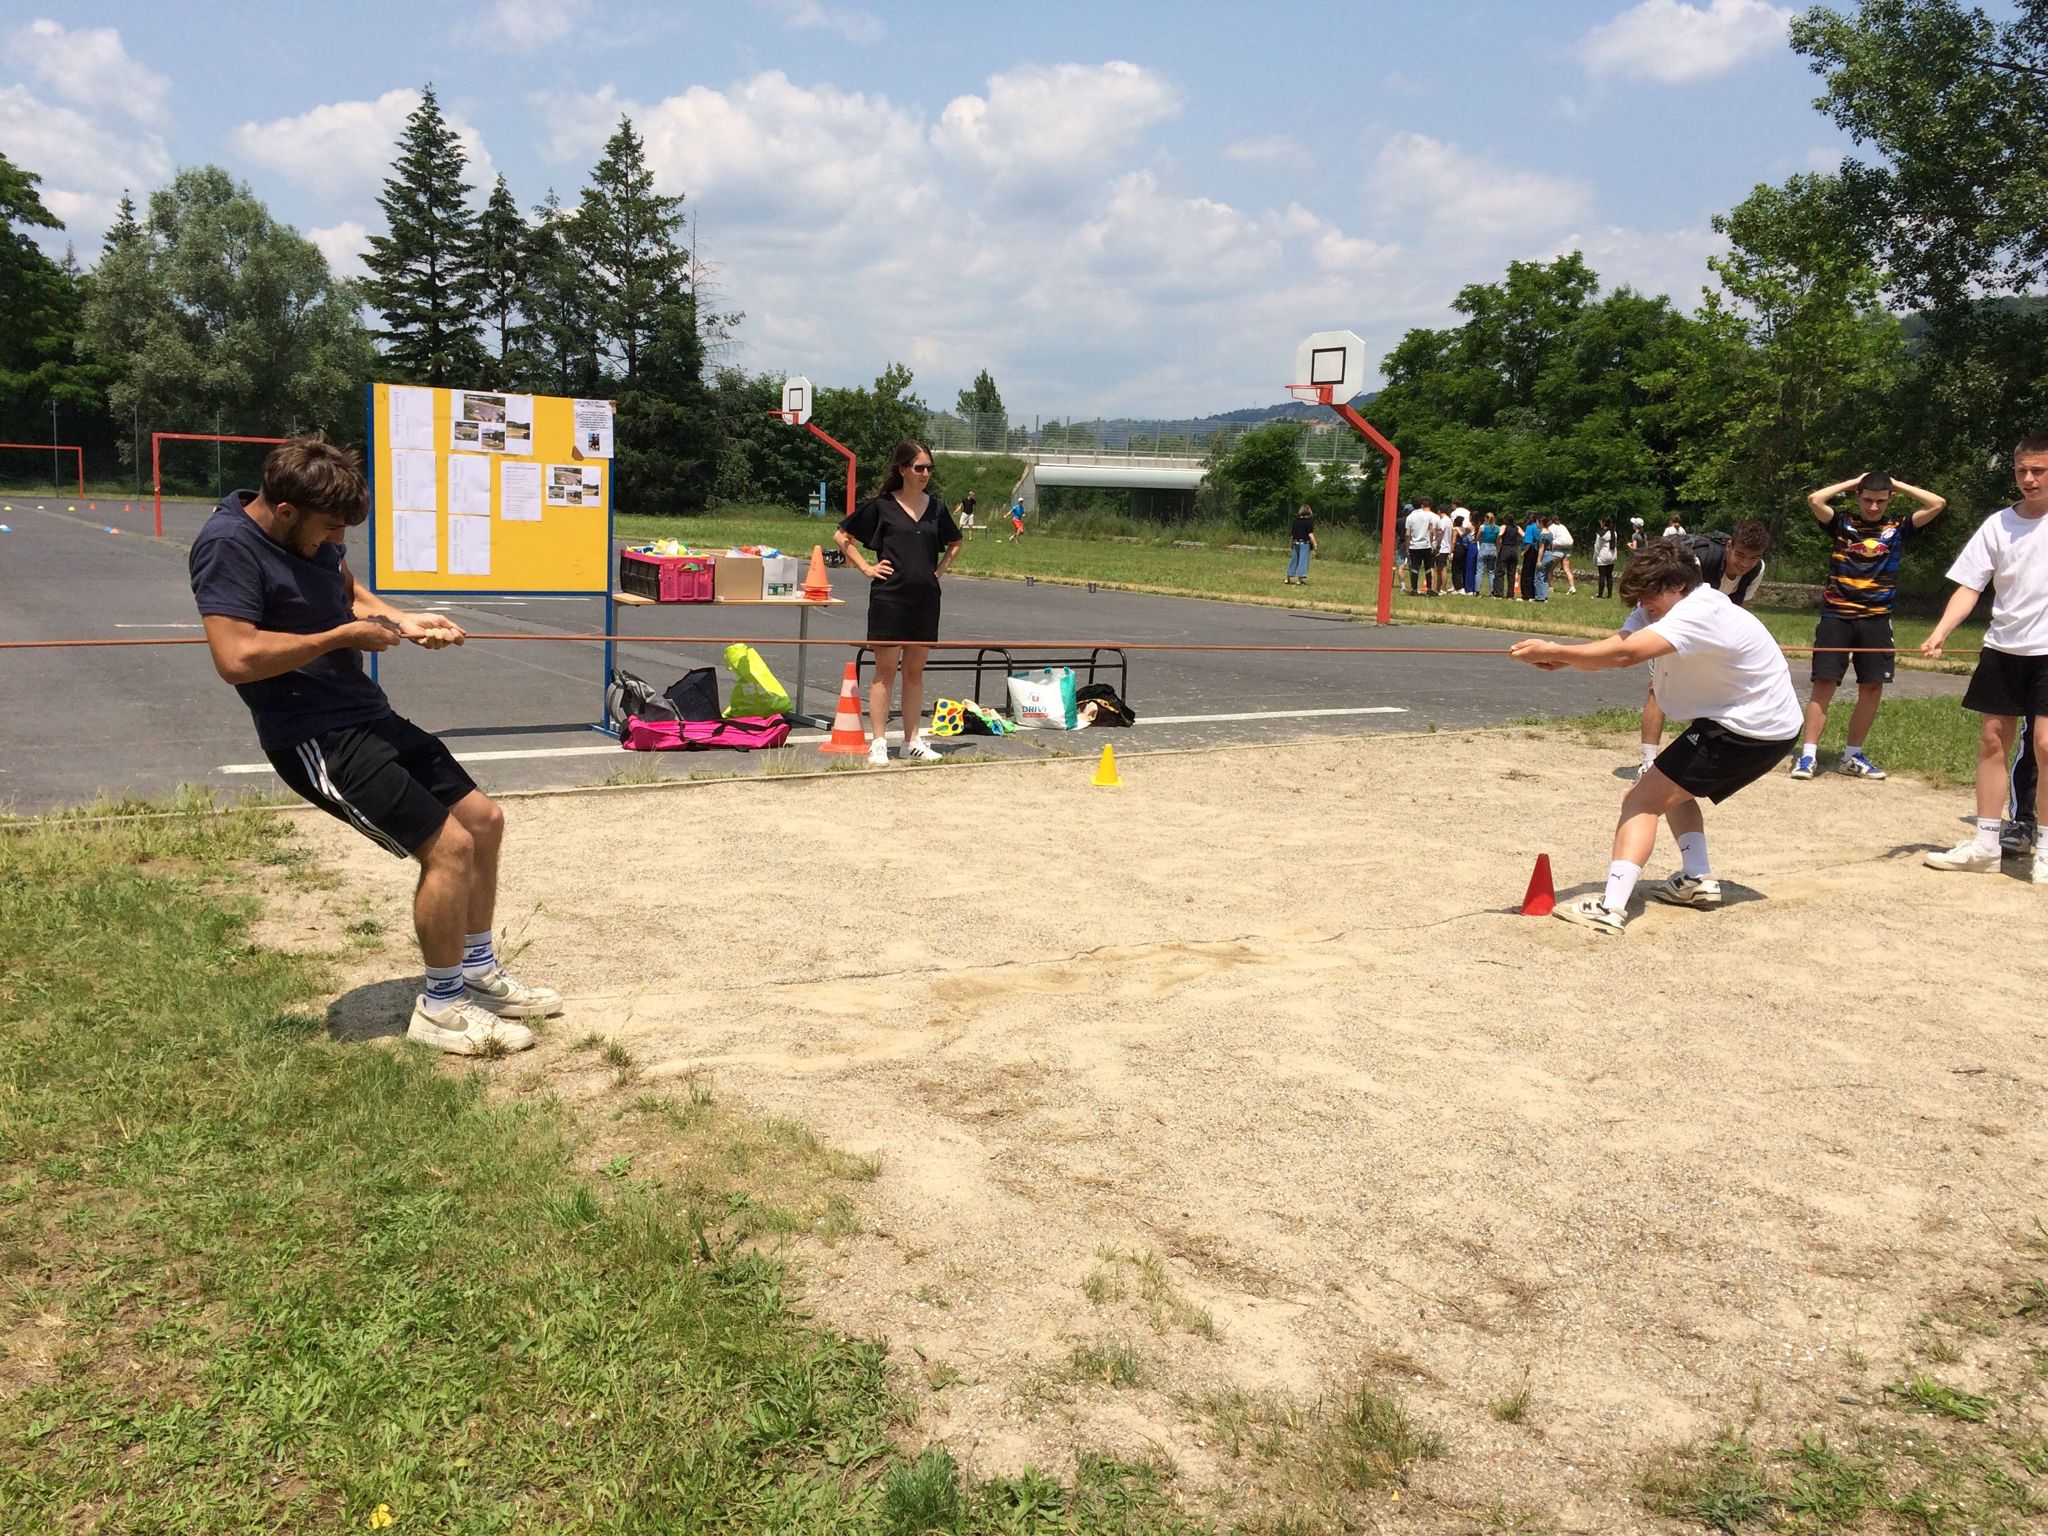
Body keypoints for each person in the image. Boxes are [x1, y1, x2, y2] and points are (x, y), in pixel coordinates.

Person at [188, 435, 558, 1055]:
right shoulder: (227, 547)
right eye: (330, 528)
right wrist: (341, 637)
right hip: (314, 734)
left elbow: (345, 587)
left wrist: (400, 620)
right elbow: (236, 657)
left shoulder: (307, 535)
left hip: (365, 713)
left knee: (485, 822)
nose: (337, 542)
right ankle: (440, 1009)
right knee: (450, 849)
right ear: (284, 510)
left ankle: (476, 971)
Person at [1509, 537, 1803, 934]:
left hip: (1751, 728)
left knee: (1640, 800)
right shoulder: (1661, 604)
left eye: (1652, 601)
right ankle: (1697, 878)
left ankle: (1611, 908)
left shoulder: (1700, 611)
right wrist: (1563, 659)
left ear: (1679, 586)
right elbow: (1621, 645)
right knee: (1671, 786)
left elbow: (1628, 655)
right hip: (1754, 723)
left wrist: (1558, 649)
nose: (1646, 610)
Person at [1918, 433, 2048, 876]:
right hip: (2003, 649)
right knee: (1993, 740)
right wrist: (1939, 632)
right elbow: (1971, 585)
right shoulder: (1998, 525)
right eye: (2021, 471)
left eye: (2038, 471)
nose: (2028, 479)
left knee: (2046, 745)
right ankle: (1987, 844)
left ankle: (2046, 850)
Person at [1791, 470, 1946, 781]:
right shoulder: (1841, 523)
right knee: (1824, 684)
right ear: (1858, 497)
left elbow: (1938, 503)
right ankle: (1807, 756)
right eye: (1867, 500)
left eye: (1880, 501)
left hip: (1876, 617)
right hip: (1837, 614)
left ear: (1889, 499)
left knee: (1871, 687)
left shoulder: (1898, 526)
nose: (1873, 507)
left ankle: (1852, 755)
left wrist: (1896, 482)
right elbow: (1814, 499)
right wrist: (1854, 480)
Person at [835, 440, 964, 764]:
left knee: (915, 672)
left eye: (929, 468)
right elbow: (841, 537)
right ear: (902, 469)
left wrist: (940, 570)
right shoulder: (882, 506)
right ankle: (879, 741)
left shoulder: (935, 507)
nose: (925, 474)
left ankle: (912, 740)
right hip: (890, 597)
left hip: (925, 599)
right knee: (885, 671)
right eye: (919, 468)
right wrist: (866, 567)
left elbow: (955, 542)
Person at [1632, 520, 1771, 779]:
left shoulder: (1756, 570)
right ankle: (1648, 762)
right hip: (1672, 623)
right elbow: (1675, 602)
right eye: (1740, 554)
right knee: (1658, 689)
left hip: (1711, 633)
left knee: (1713, 691)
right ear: (1729, 545)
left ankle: (1701, 754)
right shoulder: (1699, 559)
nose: (1745, 564)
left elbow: (1740, 608)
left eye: (1754, 558)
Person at [1405, 496, 1438, 595]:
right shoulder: (1428, 515)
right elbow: (1431, 531)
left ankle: (1414, 589)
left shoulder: (1410, 517)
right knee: (1428, 567)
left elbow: (1407, 534)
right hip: (1426, 545)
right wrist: (1432, 544)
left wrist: (1407, 547)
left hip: (1414, 546)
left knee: (1415, 568)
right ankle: (1429, 589)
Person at [1285, 502, 1316, 584]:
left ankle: (1288, 577)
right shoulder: (1309, 522)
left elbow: (1293, 534)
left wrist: (1291, 544)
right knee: (1303, 560)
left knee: (1294, 560)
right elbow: (1310, 534)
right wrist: (1315, 544)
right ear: (1309, 512)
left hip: (1296, 543)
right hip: (1304, 544)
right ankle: (1299, 579)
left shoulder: (1295, 521)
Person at [1547, 515, 1578, 594]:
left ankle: (1550, 587)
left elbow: (1550, 539)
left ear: (1551, 521)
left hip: (1558, 548)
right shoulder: (1563, 526)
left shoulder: (1551, 527)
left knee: (1549, 569)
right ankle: (1572, 587)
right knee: (1567, 569)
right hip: (1568, 547)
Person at [1519, 511, 1546, 602]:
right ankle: (1535, 593)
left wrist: (1523, 552)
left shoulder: (1530, 528)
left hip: (1530, 551)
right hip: (1538, 551)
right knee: (1535, 573)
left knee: (1526, 573)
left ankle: (1526, 595)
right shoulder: (1540, 528)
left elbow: (1529, 542)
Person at [1496, 511, 1522, 598]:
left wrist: (1498, 542)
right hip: (1514, 549)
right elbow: (1524, 535)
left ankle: (1499, 593)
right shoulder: (1517, 527)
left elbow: (1500, 534)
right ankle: (1510, 594)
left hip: (1505, 548)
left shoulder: (1504, 526)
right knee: (1512, 573)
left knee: (1500, 572)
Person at [1476, 512, 1500, 598]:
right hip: (1493, 548)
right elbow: (1498, 541)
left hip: (1484, 547)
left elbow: (1477, 537)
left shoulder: (1482, 527)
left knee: (1479, 571)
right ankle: (1492, 592)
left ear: (1486, 518)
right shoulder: (1497, 528)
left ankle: (1477, 591)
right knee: (1491, 572)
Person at [1594, 518, 1618, 598]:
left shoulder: (1600, 534)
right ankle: (1609, 595)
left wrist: (1595, 557)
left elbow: (1597, 547)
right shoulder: (1614, 533)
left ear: (1604, 523)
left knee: (1602, 576)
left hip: (1602, 555)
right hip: (1611, 556)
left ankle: (1600, 594)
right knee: (1609, 576)